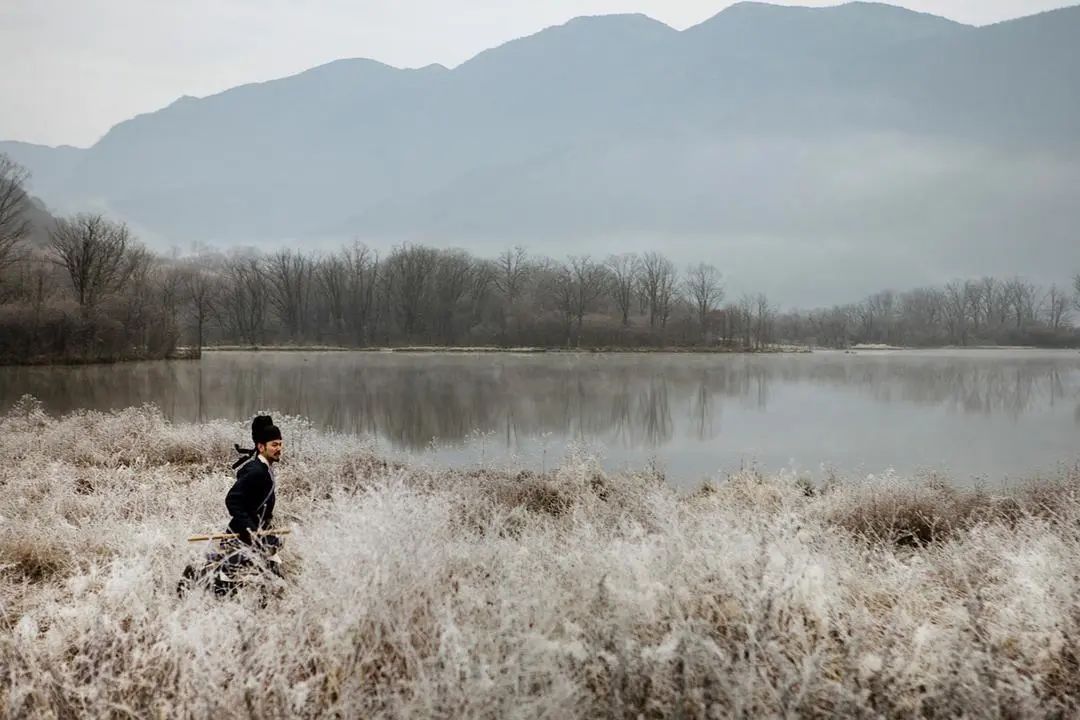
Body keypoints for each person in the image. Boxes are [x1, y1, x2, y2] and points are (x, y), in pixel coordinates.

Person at [227, 414, 281, 545]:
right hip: (242, 537)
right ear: (261, 447)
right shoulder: (256, 471)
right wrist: (251, 529)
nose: (279, 448)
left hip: (257, 535)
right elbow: (232, 500)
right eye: (274, 445)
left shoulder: (265, 469)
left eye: (280, 444)